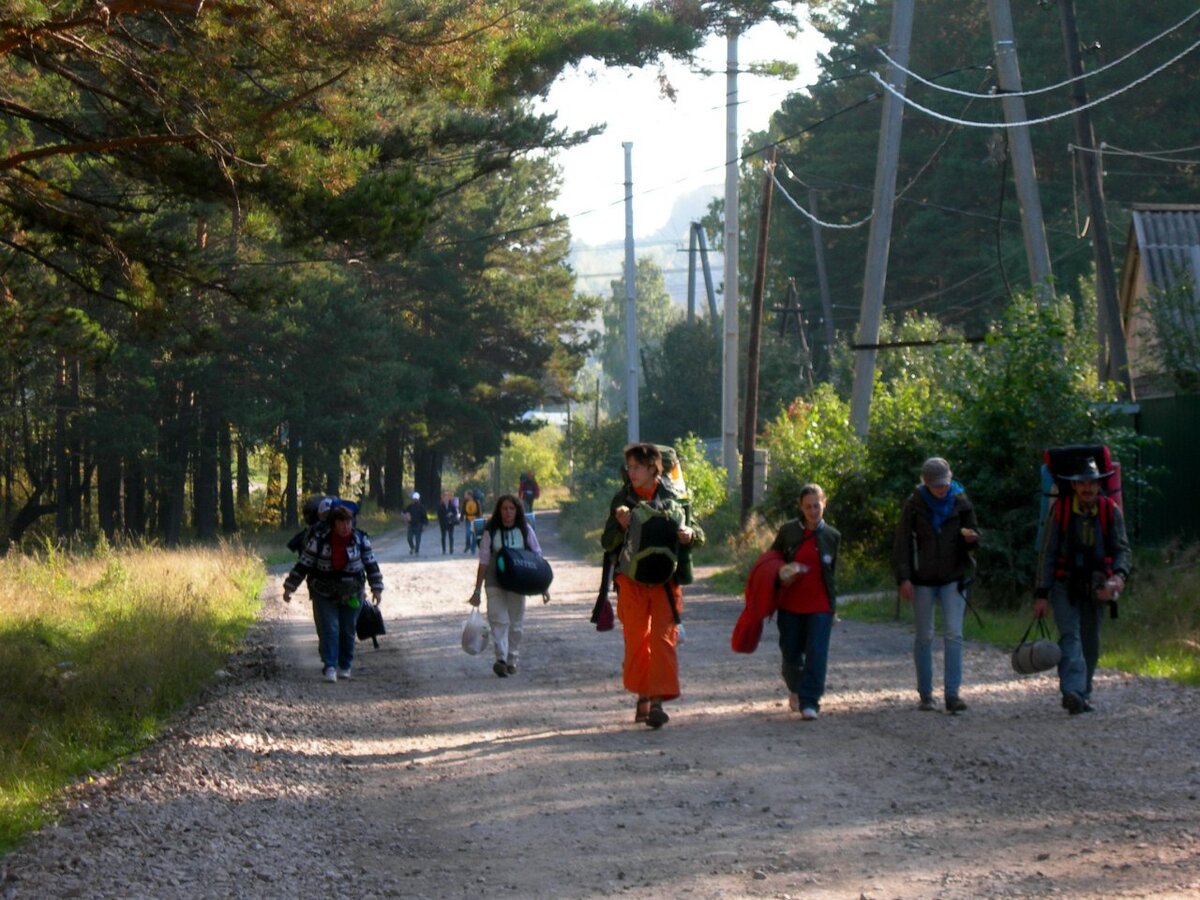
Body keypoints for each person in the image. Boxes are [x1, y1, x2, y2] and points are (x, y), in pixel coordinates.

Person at [601, 442, 703, 729]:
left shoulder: (677, 497)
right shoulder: (621, 498)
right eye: (629, 467)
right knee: (637, 640)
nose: (630, 472)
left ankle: (656, 702)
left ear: (652, 468)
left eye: (636, 467)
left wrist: (689, 534)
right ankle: (643, 695)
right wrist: (620, 527)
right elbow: (606, 542)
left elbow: (699, 533)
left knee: (662, 640)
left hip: (665, 583)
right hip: (631, 581)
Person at [1034, 455, 1131, 715]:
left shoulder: (1111, 511)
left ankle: (1083, 693)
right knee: (1070, 635)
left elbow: (1122, 550)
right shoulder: (1062, 510)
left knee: (1090, 641)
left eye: (1092, 483)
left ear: (1099, 485)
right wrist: (1041, 593)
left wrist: (1118, 577)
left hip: (1097, 587)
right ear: (1074, 486)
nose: (1087, 488)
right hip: (1064, 585)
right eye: (1082, 483)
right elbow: (1048, 553)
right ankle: (1072, 691)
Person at [891, 457, 980, 713]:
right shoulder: (914, 505)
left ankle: (953, 694)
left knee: (954, 634)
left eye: (944, 484)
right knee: (925, 636)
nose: (941, 489)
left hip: (954, 577)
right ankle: (926, 694)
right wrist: (904, 578)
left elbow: (974, 535)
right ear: (926, 483)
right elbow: (903, 544)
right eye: (936, 485)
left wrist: (973, 539)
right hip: (922, 580)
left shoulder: (961, 502)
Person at [282, 504, 384, 682]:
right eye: (341, 522)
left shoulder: (360, 540)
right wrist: (290, 586)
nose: (346, 526)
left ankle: (345, 665)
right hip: (323, 592)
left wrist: (376, 587)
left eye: (348, 522)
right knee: (330, 628)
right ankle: (329, 666)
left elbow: (371, 564)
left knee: (347, 629)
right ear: (333, 524)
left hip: (353, 592)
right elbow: (303, 564)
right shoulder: (319, 541)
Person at [767, 483, 841, 720]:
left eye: (816, 506)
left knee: (817, 653)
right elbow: (771, 560)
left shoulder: (832, 536)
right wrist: (784, 571)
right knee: (790, 654)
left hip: (820, 606)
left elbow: (831, 575)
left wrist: (833, 608)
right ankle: (796, 688)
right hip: (790, 605)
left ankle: (810, 702)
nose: (813, 511)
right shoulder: (788, 531)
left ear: (824, 503)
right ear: (801, 507)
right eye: (808, 507)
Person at [468, 494, 550, 677]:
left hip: (519, 581)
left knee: (516, 624)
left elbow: (537, 556)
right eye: (504, 509)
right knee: (498, 620)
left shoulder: (525, 529)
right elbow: (483, 560)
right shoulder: (491, 530)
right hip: (494, 580)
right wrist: (477, 590)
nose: (508, 512)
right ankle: (501, 659)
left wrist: (543, 586)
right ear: (499, 511)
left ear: (517, 510)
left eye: (511, 509)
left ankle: (512, 658)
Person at [403, 491, 428, 556]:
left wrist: (425, 525)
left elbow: (425, 517)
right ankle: (412, 547)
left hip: (419, 525)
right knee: (409, 538)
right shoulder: (410, 506)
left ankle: (417, 551)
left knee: (417, 539)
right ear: (413, 499)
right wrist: (405, 517)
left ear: (418, 499)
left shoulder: (422, 507)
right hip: (411, 525)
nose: (415, 500)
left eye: (416, 499)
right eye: (414, 499)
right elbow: (404, 512)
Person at [437, 490, 458, 555]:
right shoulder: (440, 506)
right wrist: (446, 515)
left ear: (448, 498)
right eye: (444, 497)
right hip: (443, 523)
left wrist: (451, 514)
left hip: (450, 522)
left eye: (447, 497)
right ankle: (444, 550)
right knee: (443, 537)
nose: (446, 499)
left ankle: (451, 549)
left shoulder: (451, 505)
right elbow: (439, 515)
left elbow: (455, 512)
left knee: (451, 536)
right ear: (442, 498)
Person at [462, 489, 481, 554]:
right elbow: (463, 511)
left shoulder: (476, 502)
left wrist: (478, 518)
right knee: (467, 534)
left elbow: (479, 511)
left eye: (466, 495)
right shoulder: (465, 502)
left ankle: (473, 548)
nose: (464, 496)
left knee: (474, 535)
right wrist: (461, 518)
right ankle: (468, 545)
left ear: (469, 495)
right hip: (468, 519)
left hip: (475, 519)